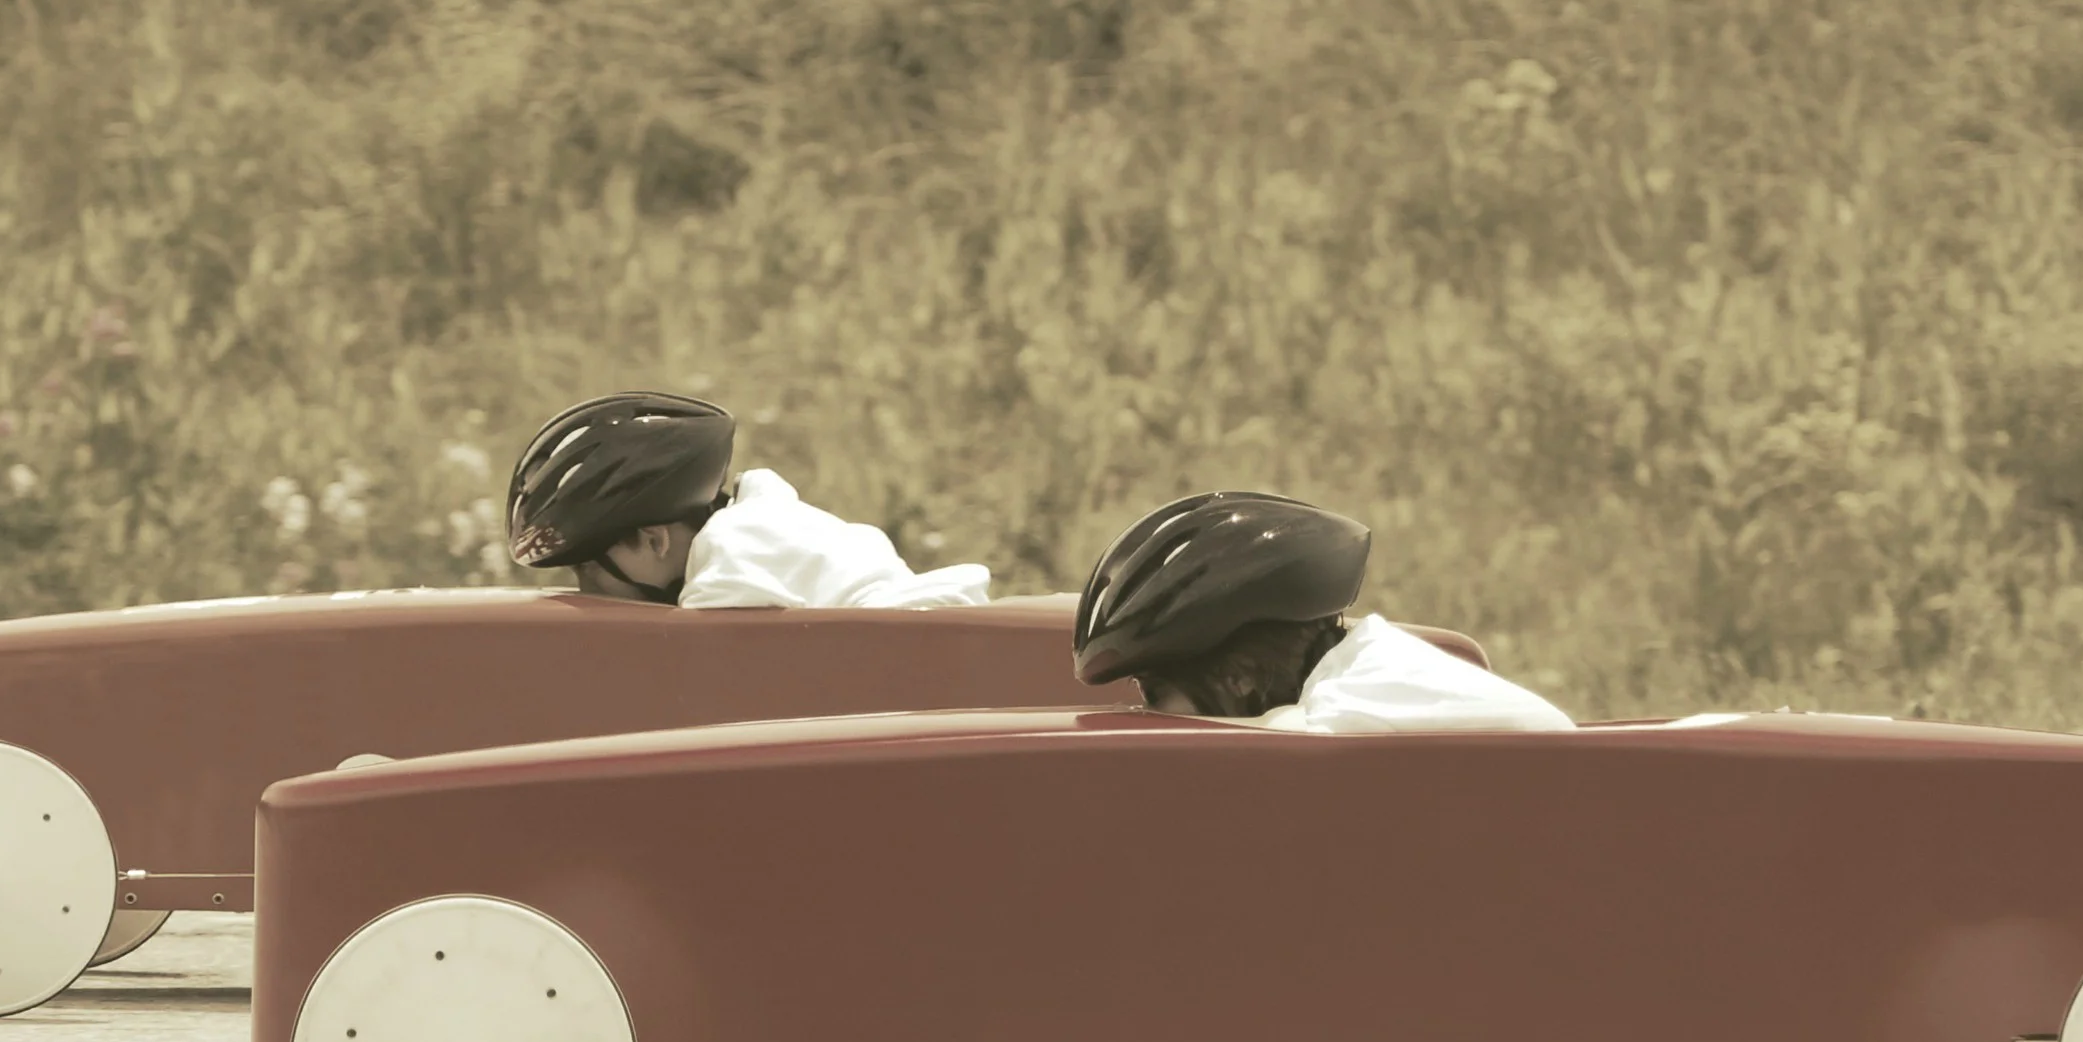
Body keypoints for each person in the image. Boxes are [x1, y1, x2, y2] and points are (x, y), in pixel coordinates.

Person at [1072, 490, 1577, 732]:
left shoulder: (1351, 712)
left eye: (1155, 693)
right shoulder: (1376, 672)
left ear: (1240, 677)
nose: (1148, 716)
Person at [505, 391, 992, 609]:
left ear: (654, 541)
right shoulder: (758, 523)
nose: (587, 592)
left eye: (591, 572)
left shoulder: (729, 568)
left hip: (920, 665)